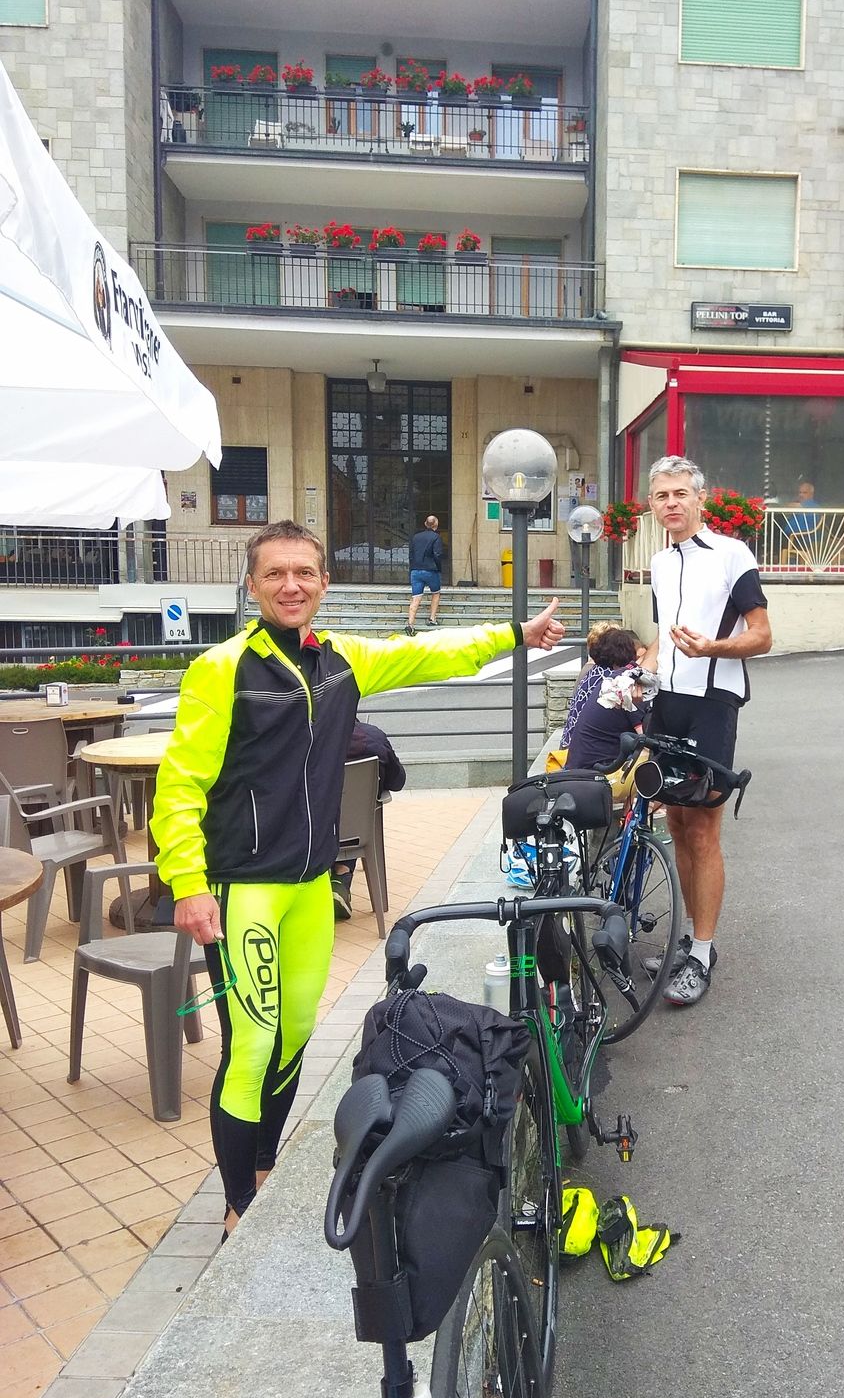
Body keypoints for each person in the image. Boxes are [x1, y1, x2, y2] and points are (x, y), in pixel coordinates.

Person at [152, 519, 564, 1235]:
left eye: (303, 573)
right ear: (252, 585)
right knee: (251, 1045)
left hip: (312, 885)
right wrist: (187, 882)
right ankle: (237, 1204)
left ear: (323, 582)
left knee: (295, 1033)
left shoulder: (341, 660)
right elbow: (180, 784)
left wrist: (514, 635)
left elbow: (426, 653)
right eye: (275, 574)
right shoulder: (222, 669)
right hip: (242, 887)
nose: (290, 586)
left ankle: (263, 1168)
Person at [640, 456, 772, 1007]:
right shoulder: (658, 562)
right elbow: (662, 636)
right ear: (652, 504)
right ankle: (689, 939)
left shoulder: (731, 554)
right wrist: (638, 672)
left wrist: (713, 647)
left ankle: (702, 952)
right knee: (675, 822)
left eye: (680, 493)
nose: (671, 503)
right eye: (661, 495)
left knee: (703, 830)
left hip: (712, 704)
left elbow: (762, 635)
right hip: (667, 702)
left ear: (700, 499)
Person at [331, 717, 405, 921]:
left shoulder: (306, 740)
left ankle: (330, 882)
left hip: (314, 832)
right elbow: (397, 782)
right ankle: (341, 878)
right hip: (357, 830)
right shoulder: (374, 737)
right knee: (353, 810)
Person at [563, 627, 646, 771]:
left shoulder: (594, 673)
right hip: (595, 771)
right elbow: (644, 737)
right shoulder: (623, 683)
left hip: (575, 759)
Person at [406, 515, 444, 635]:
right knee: (436, 593)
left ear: (425, 524)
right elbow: (437, 554)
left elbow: (411, 554)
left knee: (416, 597)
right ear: (436, 525)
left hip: (416, 570)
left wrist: (413, 567)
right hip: (431, 570)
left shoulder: (415, 537)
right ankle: (432, 619)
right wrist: (439, 568)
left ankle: (410, 624)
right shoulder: (436, 537)